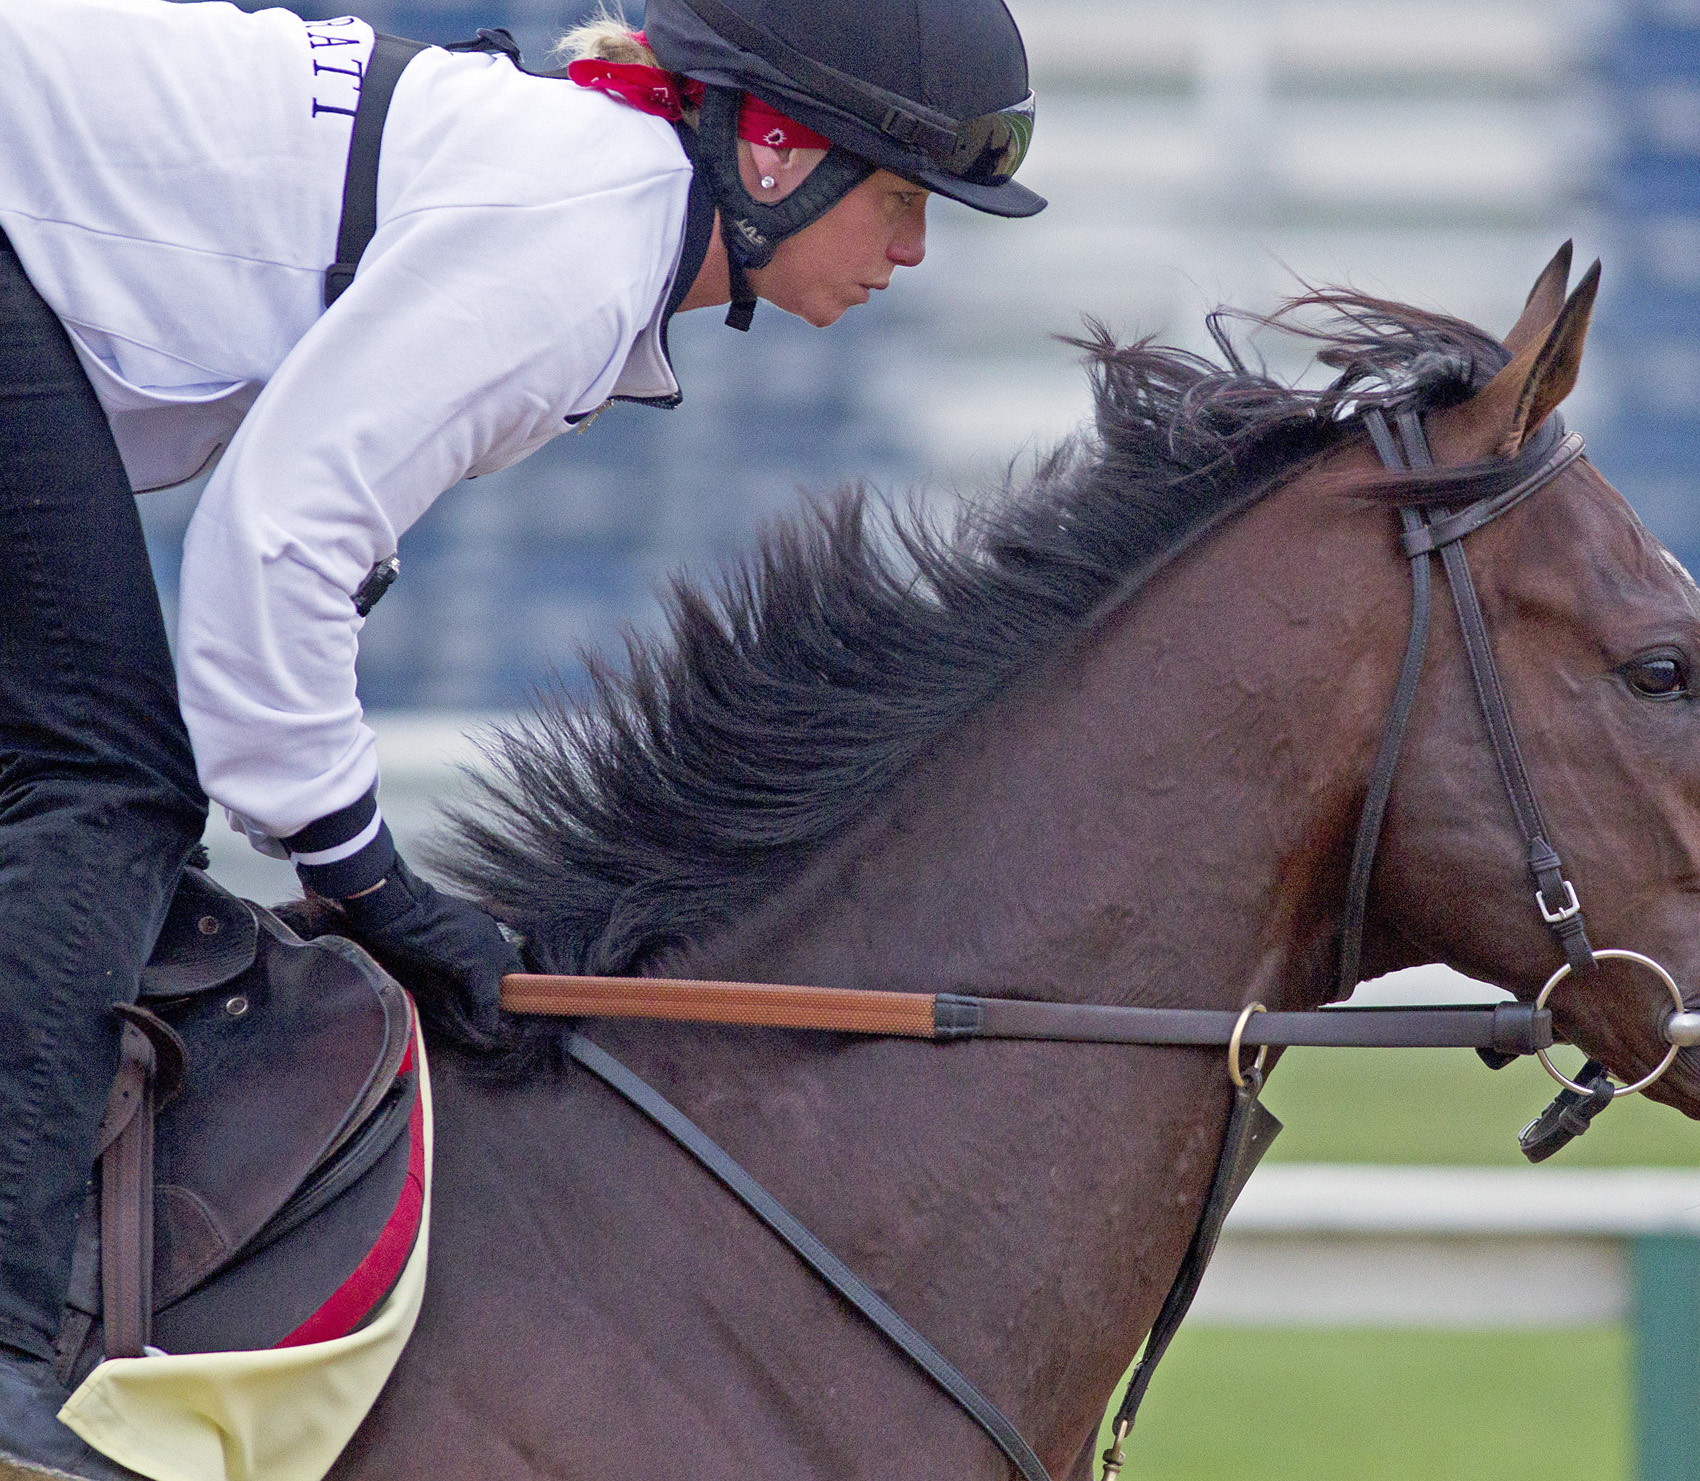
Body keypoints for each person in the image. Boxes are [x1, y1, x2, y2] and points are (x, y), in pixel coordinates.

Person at [0, 0, 1041, 1472]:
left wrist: (335, 840)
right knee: (102, 786)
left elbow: (296, 532)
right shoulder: (584, 241)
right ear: (773, 150)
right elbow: (275, 538)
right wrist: (369, 879)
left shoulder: (589, 203)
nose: (915, 251)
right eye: (900, 196)